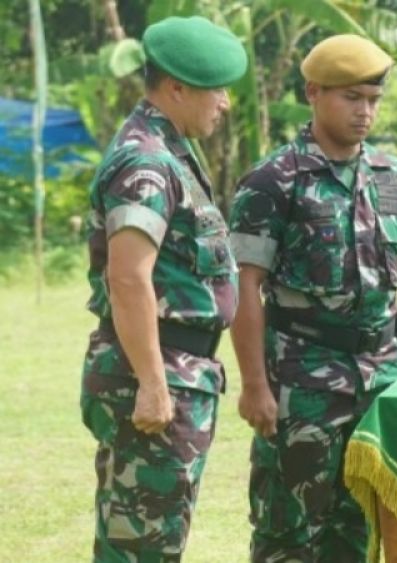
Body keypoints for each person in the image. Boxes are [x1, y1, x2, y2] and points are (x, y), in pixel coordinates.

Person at [227, 34, 397, 562]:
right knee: (289, 530)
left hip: (384, 375)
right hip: (303, 378)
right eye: (351, 98)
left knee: (367, 523)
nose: (364, 112)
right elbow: (244, 286)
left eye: (373, 99)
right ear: (313, 93)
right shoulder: (274, 182)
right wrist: (255, 386)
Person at [79, 16, 246, 562]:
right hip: (155, 373)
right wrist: (153, 384)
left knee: (149, 541)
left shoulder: (171, 149)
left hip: (178, 370)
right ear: (176, 87)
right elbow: (127, 276)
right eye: (216, 89)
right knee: (141, 548)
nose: (224, 103)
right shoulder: (147, 161)